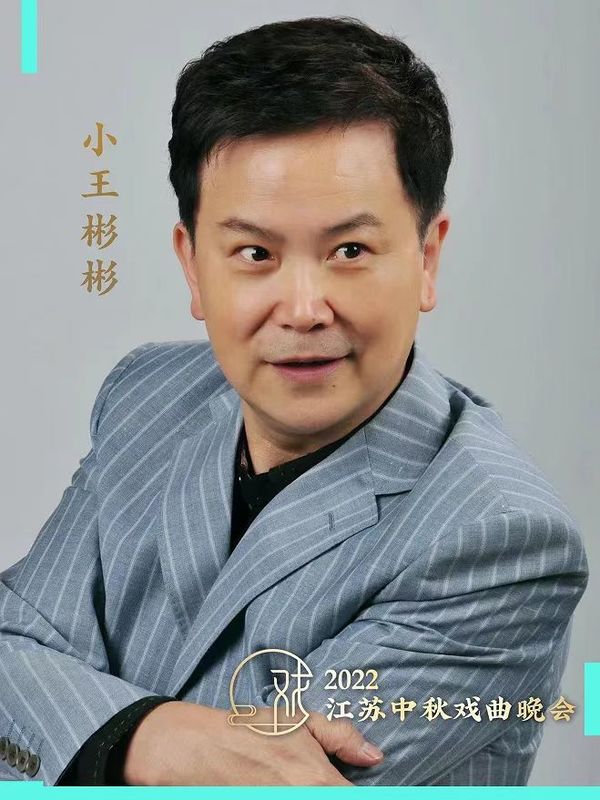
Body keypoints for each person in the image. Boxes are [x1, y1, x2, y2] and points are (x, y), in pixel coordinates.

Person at [0, 15, 588, 787]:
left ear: (426, 257)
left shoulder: (500, 539)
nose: (304, 309)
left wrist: (78, 713)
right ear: (193, 265)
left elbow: (267, 783)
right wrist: (146, 736)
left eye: (350, 250)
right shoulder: (147, 395)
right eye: (255, 252)